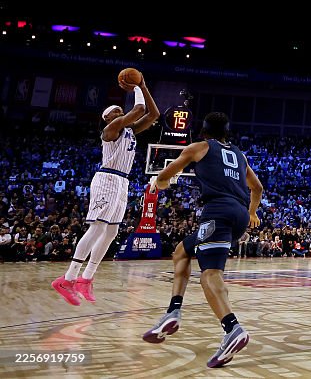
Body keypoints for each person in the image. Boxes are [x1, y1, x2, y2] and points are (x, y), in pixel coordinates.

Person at [142, 112, 263, 369]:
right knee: (181, 252)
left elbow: (165, 175)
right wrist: (252, 213)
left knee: (210, 273)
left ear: (203, 131)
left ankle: (232, 328)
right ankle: (173, 311)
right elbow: (258, 188)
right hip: (239, 214)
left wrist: (159, 183)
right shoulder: (240, 156)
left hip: (217, 211)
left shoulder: (199, 147)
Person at [52, 73, 159, 306]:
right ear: (107, 117)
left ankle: (86, 279)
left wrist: (144, 86)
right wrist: (138, 86)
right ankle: (67, 278)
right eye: (115, 110)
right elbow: (139, 109)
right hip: (107, 180)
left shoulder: (129, 131)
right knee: (97, 228)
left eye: (121, 110)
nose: (120, 111)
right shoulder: (110, 131)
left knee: (110, 233)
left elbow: (154, 114)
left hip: (123, 181)